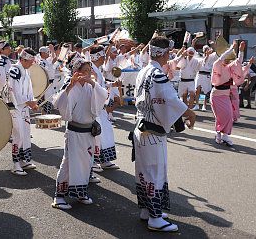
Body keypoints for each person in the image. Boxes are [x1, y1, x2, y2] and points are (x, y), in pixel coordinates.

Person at [133, 36, 196, 232]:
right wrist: (189, 112)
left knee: (144, 172)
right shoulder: (157, 74)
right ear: (165, 53)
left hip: (141, 127)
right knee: (154, 173)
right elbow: (170, 98)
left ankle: (147, 209)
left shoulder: (144, 70)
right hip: (152, 131)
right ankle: (155, 217)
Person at [52, 54, 108, 210]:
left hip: (89, 131)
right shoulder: (70, 85)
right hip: (75, 131)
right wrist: (70, 86)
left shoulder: (92, 85)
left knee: (86, 163)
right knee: (69, 163)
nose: (88, 73)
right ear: (76, 71)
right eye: (84, 70)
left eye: (90, 70)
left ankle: (80, 192)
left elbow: (104, 97)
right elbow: (58, 103)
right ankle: (59, 196)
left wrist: (92, 82)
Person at [211, 39, 252, 146]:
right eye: (226, 59)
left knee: (229, 115)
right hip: (216, 95)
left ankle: (224, 135)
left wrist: (240, 51)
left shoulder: (230, 67)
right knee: (220, 116)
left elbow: (238, 62)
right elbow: (221, 58)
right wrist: (231, 48)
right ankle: (219, 134)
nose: (227, 61)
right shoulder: (217, 64)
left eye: (229, 59)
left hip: (225, 95)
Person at [8, 48, 38, 175]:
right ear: (23, 59)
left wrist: (32, 102)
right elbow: (14, 91)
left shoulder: (25, 71)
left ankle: (23, 160)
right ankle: (15, 164)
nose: (32, 63)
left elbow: (29, 90)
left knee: (25, 134)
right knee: (18, 135)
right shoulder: (14, 70)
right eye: (31, 61)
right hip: (15, 107)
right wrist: (27, 101)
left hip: (24, 107)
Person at [90, 46, 120, 171]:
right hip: (94, 107)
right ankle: (92, 162)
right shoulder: (91, 69)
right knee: (96, 135)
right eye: (103, 56)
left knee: (106, 132)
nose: (104, 58)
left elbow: (101, 85)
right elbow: (93, 88)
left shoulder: (97, 69)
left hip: (101, 107)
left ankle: (104, 160)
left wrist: (112, 84)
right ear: (98, 57)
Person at [194, 45, 218, 112]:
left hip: (206, 75)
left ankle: (204, 106)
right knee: (197, 90)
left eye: (207, 49)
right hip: (199, 74)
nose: (206, 50)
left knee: (206, 91)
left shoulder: (212, 56)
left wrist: (213, 45)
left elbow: (217, 52)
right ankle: (197, 105)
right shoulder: (200, 56)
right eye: (205, 49)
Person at [38, 46, 57, 114]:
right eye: (47, 52)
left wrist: (52, 51)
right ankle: (45, 117)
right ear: (42, 53)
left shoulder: (46, 61)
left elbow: (55, 59)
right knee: (46, 101)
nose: (48, 54)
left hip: (50, 83)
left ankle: (46, 116)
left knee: (49, 100)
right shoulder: (41, 62)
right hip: (46, 84)